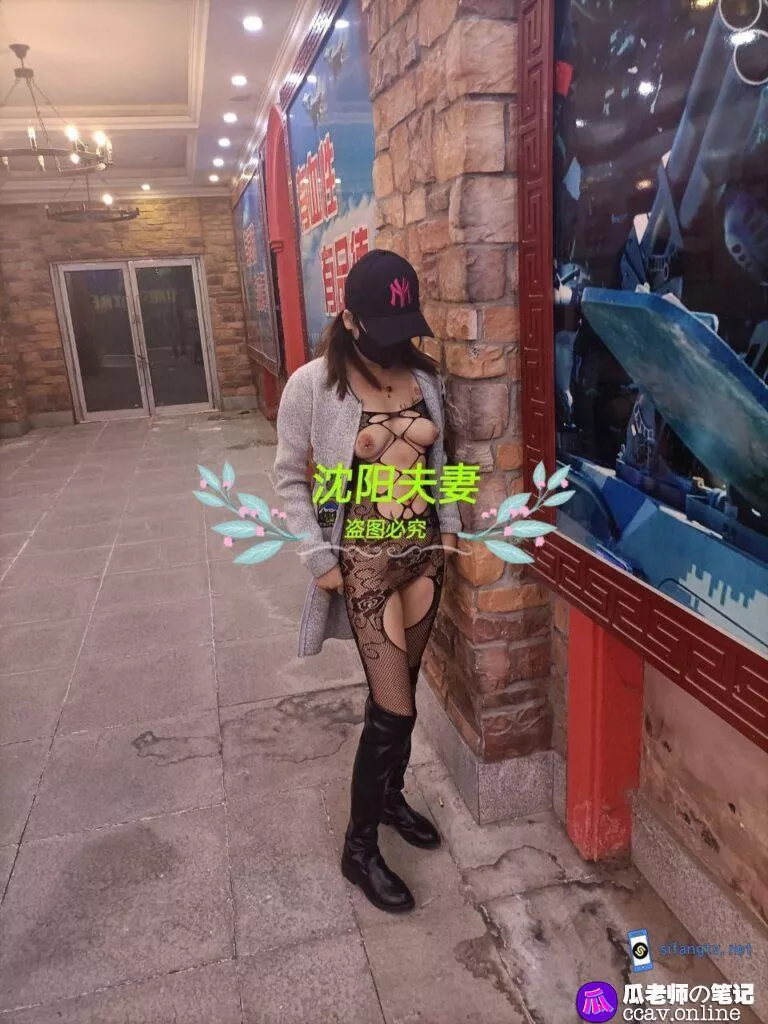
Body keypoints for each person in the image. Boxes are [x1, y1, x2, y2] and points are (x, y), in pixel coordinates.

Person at [273, 249, 462, 914]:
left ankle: (389, 798)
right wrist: (317, 556)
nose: (396, 343)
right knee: (393, 708)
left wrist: (449, 528)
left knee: (404, 691)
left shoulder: (424, 378)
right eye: (383, 329)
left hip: (423, 559)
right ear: (349, 319)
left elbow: (441, 462)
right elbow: (290, 479)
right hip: (366, 564)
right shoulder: (312, 387)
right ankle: (359, 850)